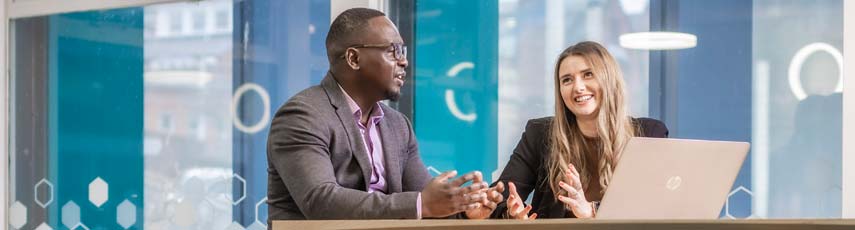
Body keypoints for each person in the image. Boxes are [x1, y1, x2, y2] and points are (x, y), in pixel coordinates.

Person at [266, 8, 504, 222]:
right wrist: (421, 204)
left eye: (404, 51)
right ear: (354, 58)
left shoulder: (397, 125)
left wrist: (463, 210)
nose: (404, 61)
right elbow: (321, 201)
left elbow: (426, 199)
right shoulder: (303, 116)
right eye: (394, 51)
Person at [490, 41, 669, 219]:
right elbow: (501, 198)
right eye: (567, 80)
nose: (578, 87)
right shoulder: (539, 134)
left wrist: (593, 210)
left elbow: (660, 204)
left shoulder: (649, 133)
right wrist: (509, 212)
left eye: (588, 75)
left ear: (609, 79)